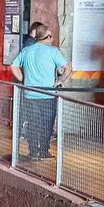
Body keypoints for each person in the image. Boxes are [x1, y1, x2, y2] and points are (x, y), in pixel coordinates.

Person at [10, 22, 68, 161]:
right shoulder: (53, 51)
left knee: (33, 123)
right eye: (51, 36)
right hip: (47, 95)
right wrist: (60, 80)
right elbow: (68, 68)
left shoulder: (27, 50)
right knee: (47, 124)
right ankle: (43, 151)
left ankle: (33, 151)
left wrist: (23, 79)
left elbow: (13, 65)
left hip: (30, 94)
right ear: (48, 37)